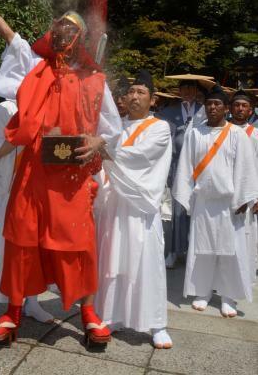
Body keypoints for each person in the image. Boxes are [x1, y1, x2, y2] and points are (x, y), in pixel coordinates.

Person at [0, 0, 122, 347]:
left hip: (71, 177)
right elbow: (10, 35)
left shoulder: (94, 80)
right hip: (33, 172)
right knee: (21, 241)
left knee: (79, 244)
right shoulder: (35, 66)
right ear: (52, 34)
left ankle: (88, 314)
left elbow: (113, 130)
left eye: (72, 29)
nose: (64, 32)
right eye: (60, 27)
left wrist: (97, 140)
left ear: (80, 38)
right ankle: (11, 313)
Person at [95, 70, 173, 349]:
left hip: (141, 207)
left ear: (152, 100)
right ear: (124, 99)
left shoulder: (159, 128)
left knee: (146, 262)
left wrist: (105, 151)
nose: (136, 97)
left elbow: (142, 156)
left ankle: (156, 324)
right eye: (132, 92)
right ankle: (111, 315)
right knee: (113, 260)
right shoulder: (114, 129)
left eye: (142, 93)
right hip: (115, 204)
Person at [172, 84, 258, 317]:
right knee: (203, 248)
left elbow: (246, 168)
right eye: (209, 103)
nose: (212, 107)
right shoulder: (195, 133)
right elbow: (186, 166)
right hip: (203, 201)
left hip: (230, 204)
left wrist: (244, 198)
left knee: (230, 251)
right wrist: (185, 194)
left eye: (217, 104)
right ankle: (202, 291)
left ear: (225, 109)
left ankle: (228, 296)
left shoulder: (237, 134)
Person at [0, 99, 54, 343]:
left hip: (40, 188)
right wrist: (24, 133)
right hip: (12, 190)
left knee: (34, 249)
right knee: (3, 248)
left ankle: (31, 302)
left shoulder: (49, 105)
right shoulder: (5, 109)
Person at [159, 79, 203, 268]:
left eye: (191, 88)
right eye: (183, 88)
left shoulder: (204, 110)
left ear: (195, 90)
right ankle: (174, 251)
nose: (187, 91)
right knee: (178, 210)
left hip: (201, 167)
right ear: (179, 90)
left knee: (199, 211)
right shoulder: (169, 113)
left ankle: (197, 253)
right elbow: (164, 143)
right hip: (178, 167)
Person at [230, 89, 258, 283]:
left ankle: (244, 275)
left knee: (249, 235)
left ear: (250, 111)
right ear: (230, 109)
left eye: (244, 106)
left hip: (250, 192)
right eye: (236, 105)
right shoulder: (222, 132)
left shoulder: (255, 134)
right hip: (226, 193)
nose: (240, 109)